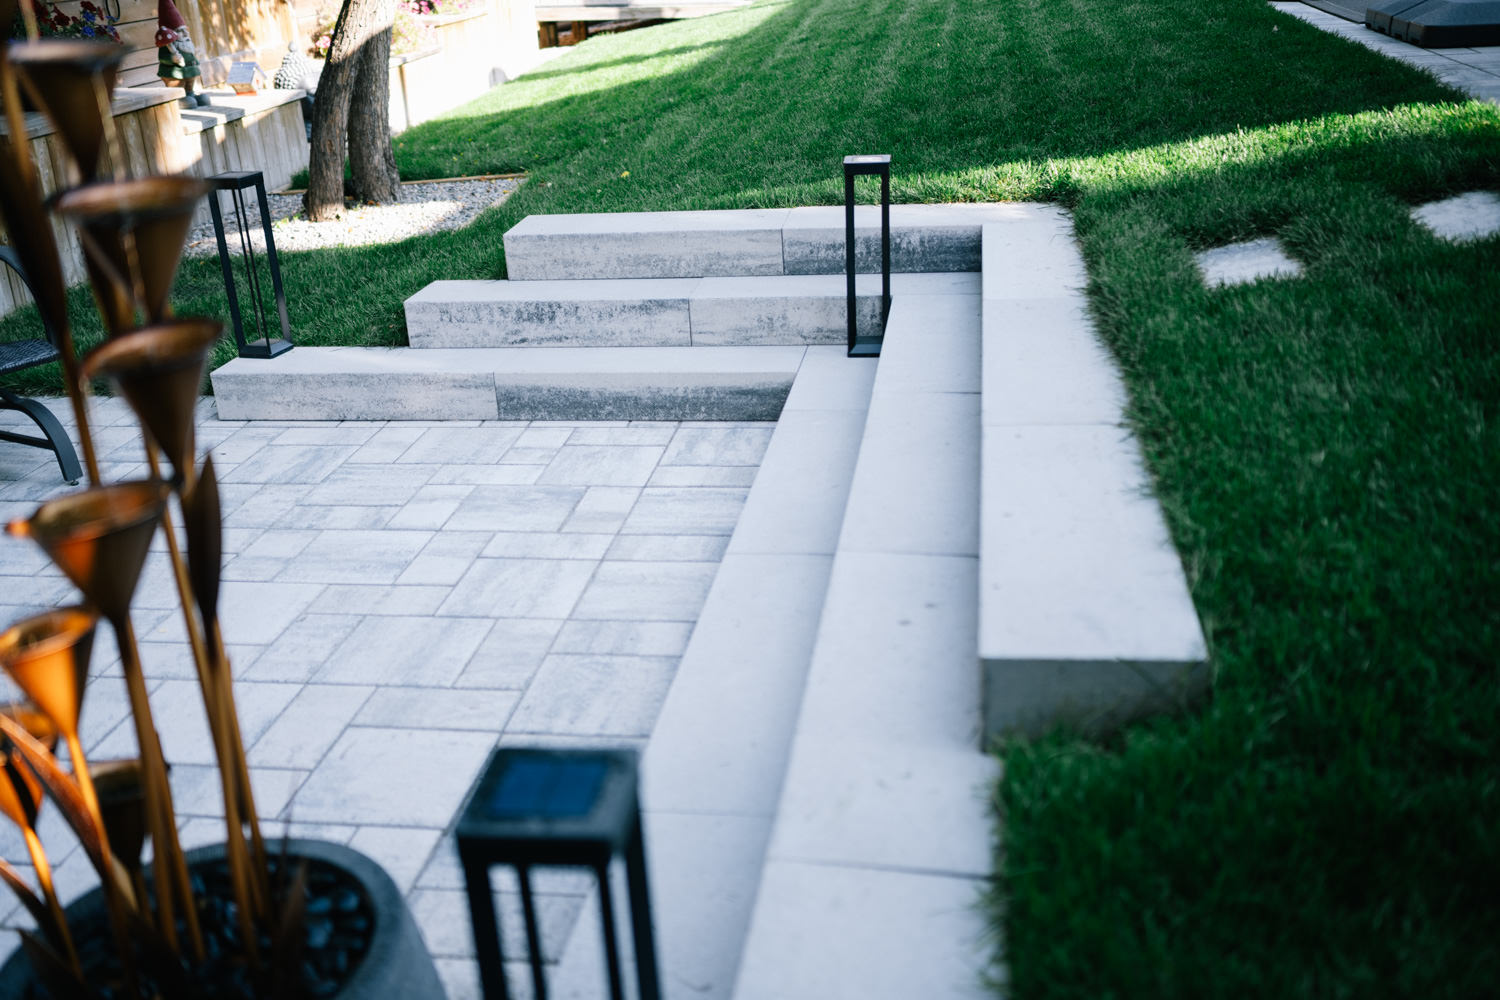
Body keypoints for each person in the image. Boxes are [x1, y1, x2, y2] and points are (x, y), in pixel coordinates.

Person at [156, 0, 207, 108]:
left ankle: (190, 94)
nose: (185, 34)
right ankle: (178, 98)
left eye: (185, 31)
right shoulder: (168, 46)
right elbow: (163, 58)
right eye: (180, 31)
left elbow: (192, 57)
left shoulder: (187, 44)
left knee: (189, 84)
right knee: (178, 83)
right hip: (175, 73)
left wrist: (195, 64)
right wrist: (172, 59)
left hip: (189, 71)